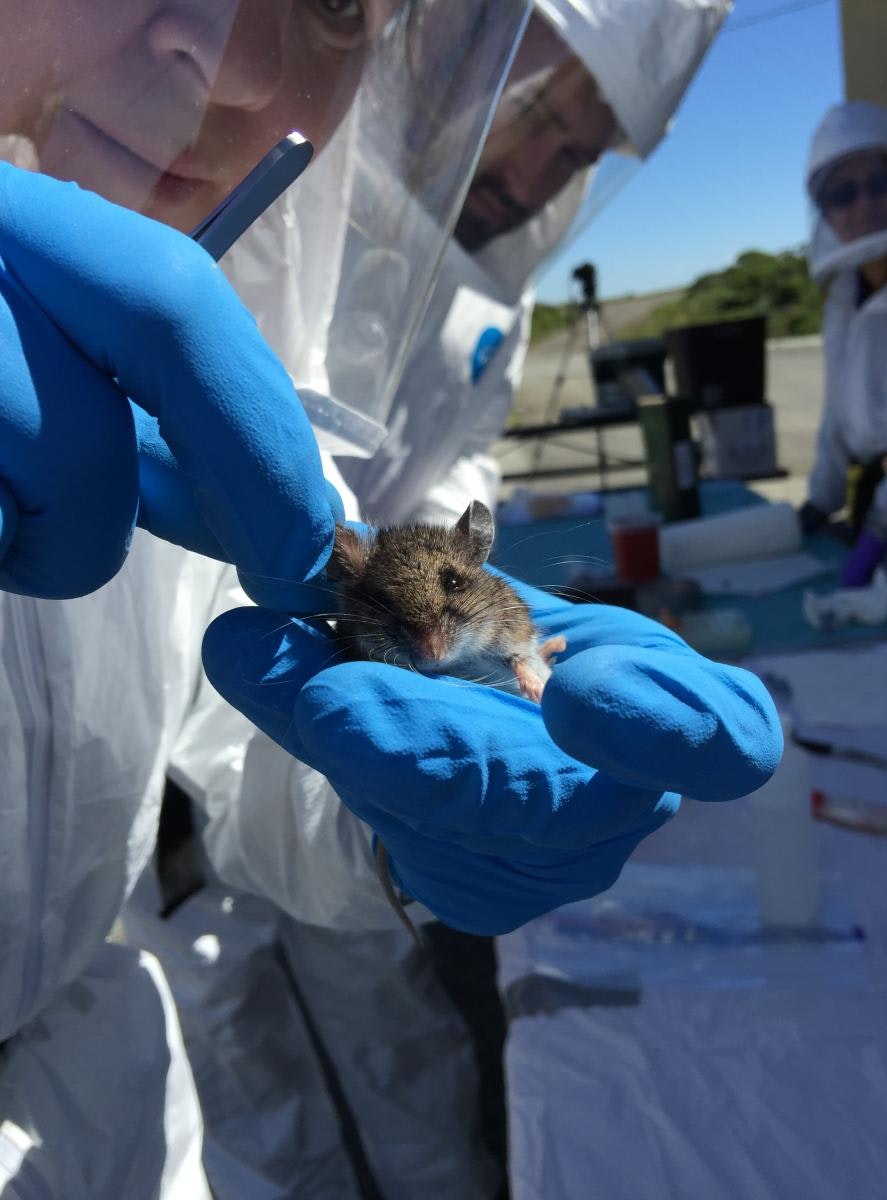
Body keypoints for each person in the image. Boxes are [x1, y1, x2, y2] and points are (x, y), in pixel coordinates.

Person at [118, 4, 784, 1198]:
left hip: (324, 731)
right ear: (456, 34)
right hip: (140, 805)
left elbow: (457, 498)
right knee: (239, 1099)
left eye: (579, 150)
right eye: (534, 106)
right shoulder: (242, 171)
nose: (532, 168)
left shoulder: (499, 286)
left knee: (406, 1058)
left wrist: (373, 814)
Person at [0, 3, 535, 1197]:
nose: (241, 62)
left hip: (110, 1094)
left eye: (340, 2)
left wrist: (394, 811)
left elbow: (225, 729)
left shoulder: (220, 273)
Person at [799, 101, 887, 587]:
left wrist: (880, 530)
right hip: (874, 511)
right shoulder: (842, 298)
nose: (862, 205)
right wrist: (820, 502)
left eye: (881, 182)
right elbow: (836, 416)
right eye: (842, 193)